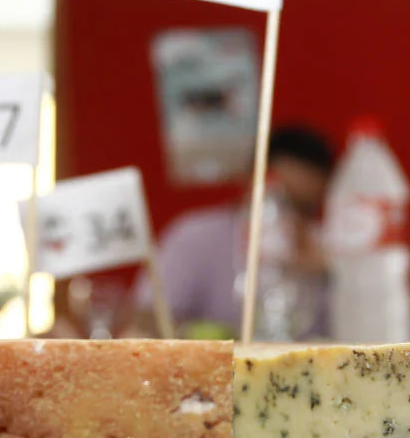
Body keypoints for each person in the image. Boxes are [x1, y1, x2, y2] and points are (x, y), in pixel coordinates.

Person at [127, 126, 334, 339]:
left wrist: (332, 271)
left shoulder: (328, 250)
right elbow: (144, 320)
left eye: (305, 209)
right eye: (280, 201)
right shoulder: (195, 238)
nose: (290, 218)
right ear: (249, 180)